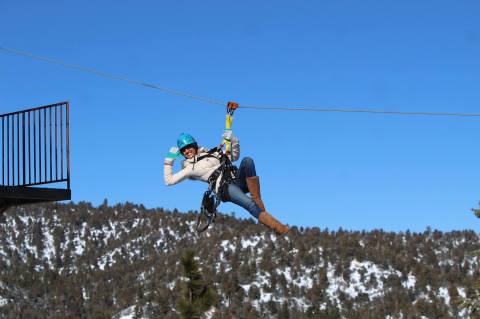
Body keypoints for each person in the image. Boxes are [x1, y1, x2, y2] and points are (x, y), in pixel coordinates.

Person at [164, 132, 289, 234]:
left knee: (247, 161)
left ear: (195, 146)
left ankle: (260, 207)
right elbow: (169, 181)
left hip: (236, 180)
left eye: (189, 147)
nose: (187, 151)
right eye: (183, 150)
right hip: (225, 187)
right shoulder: (188, 167)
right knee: (249, 204)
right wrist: (168, 162)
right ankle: (279, 228)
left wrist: (233, 141)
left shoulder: (212, 153)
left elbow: (234, 157)